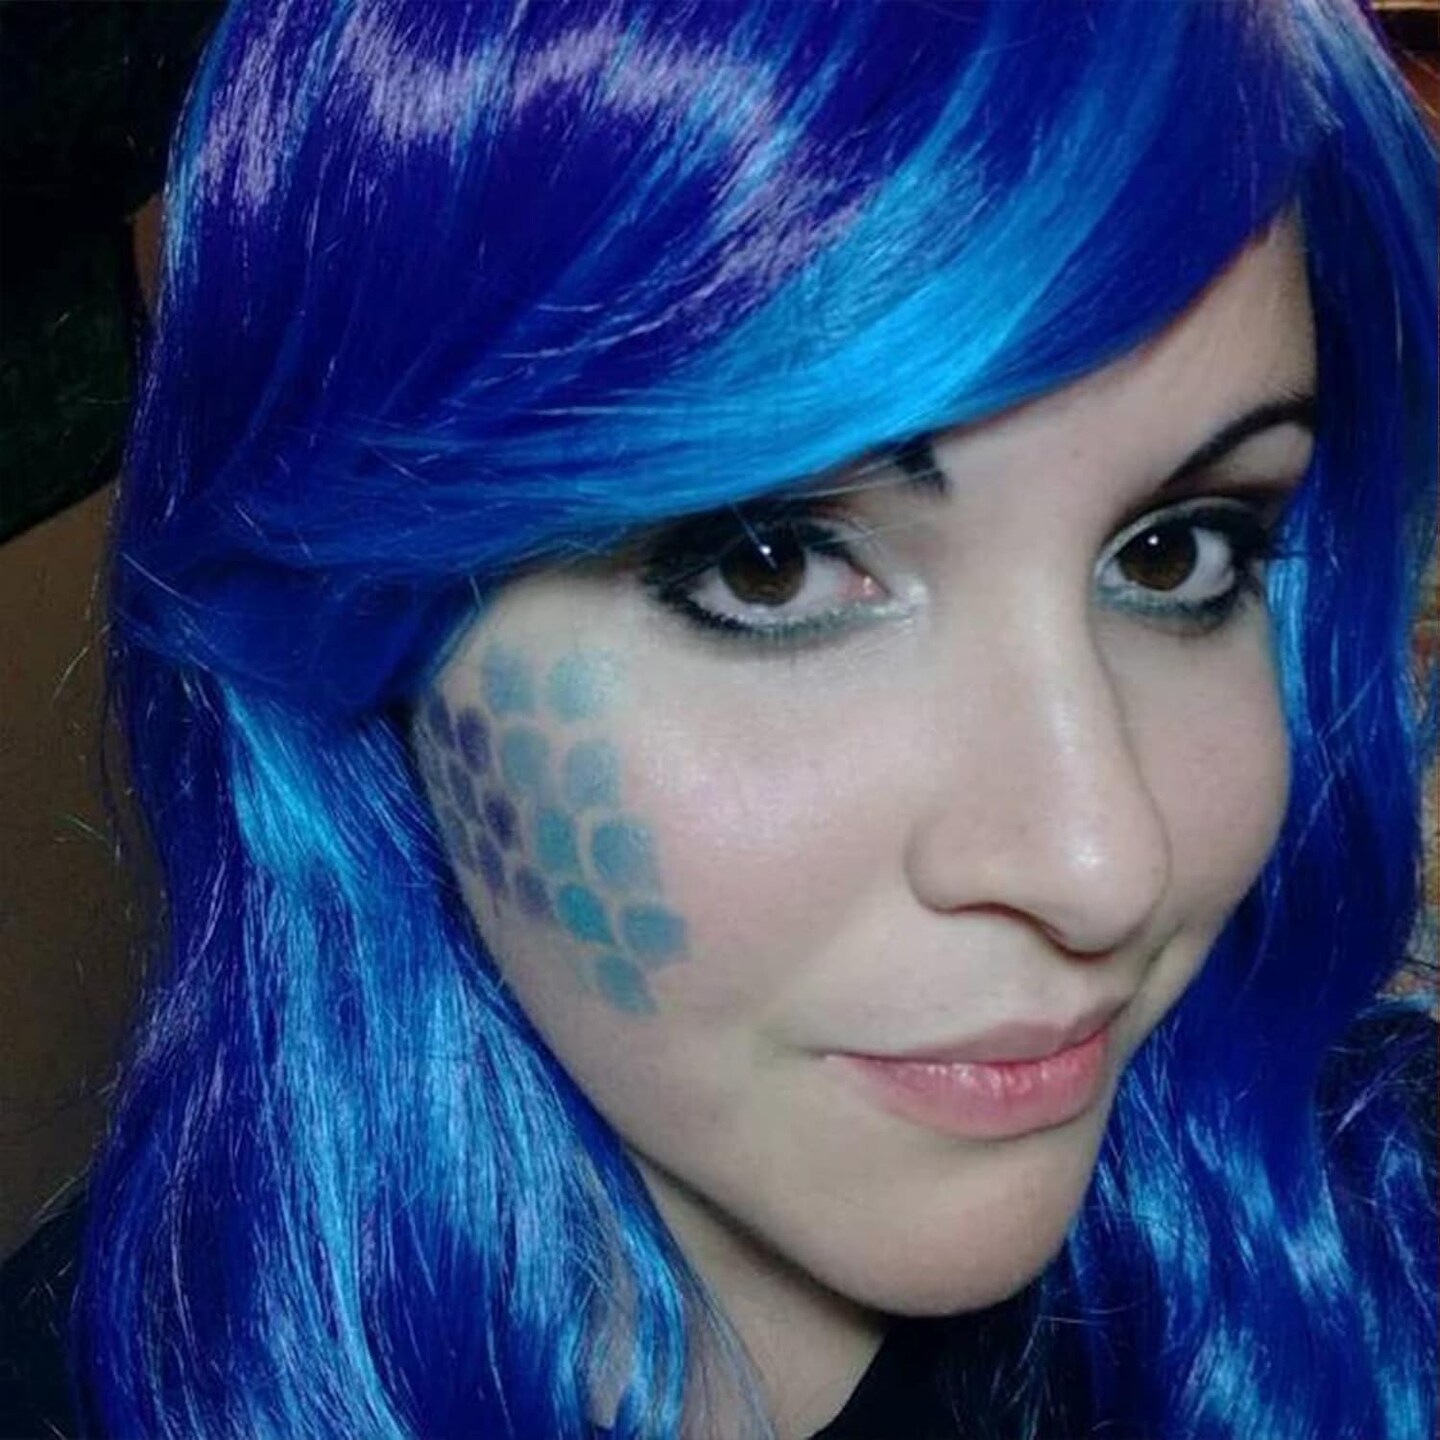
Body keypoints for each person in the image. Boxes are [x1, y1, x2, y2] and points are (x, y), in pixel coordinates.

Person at [1, 1, 1435, 1436]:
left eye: (1177, 553)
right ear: (359, 618)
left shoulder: (1388, 1226)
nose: (1104, 865)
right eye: (774, 565)